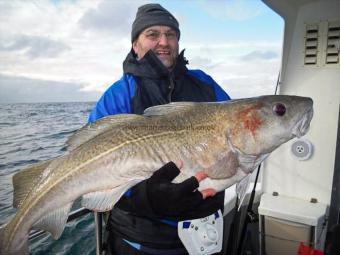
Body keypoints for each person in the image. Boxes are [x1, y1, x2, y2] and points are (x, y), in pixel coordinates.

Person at [88, 3, 231, 255]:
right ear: (135, 44)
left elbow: (234, 131)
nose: (164, 41)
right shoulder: (119, 95)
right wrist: (145, 195)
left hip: (205, 231)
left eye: (171, 34)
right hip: (142, 240)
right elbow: (91, 163)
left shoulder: (205, 84)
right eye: (152, 34)